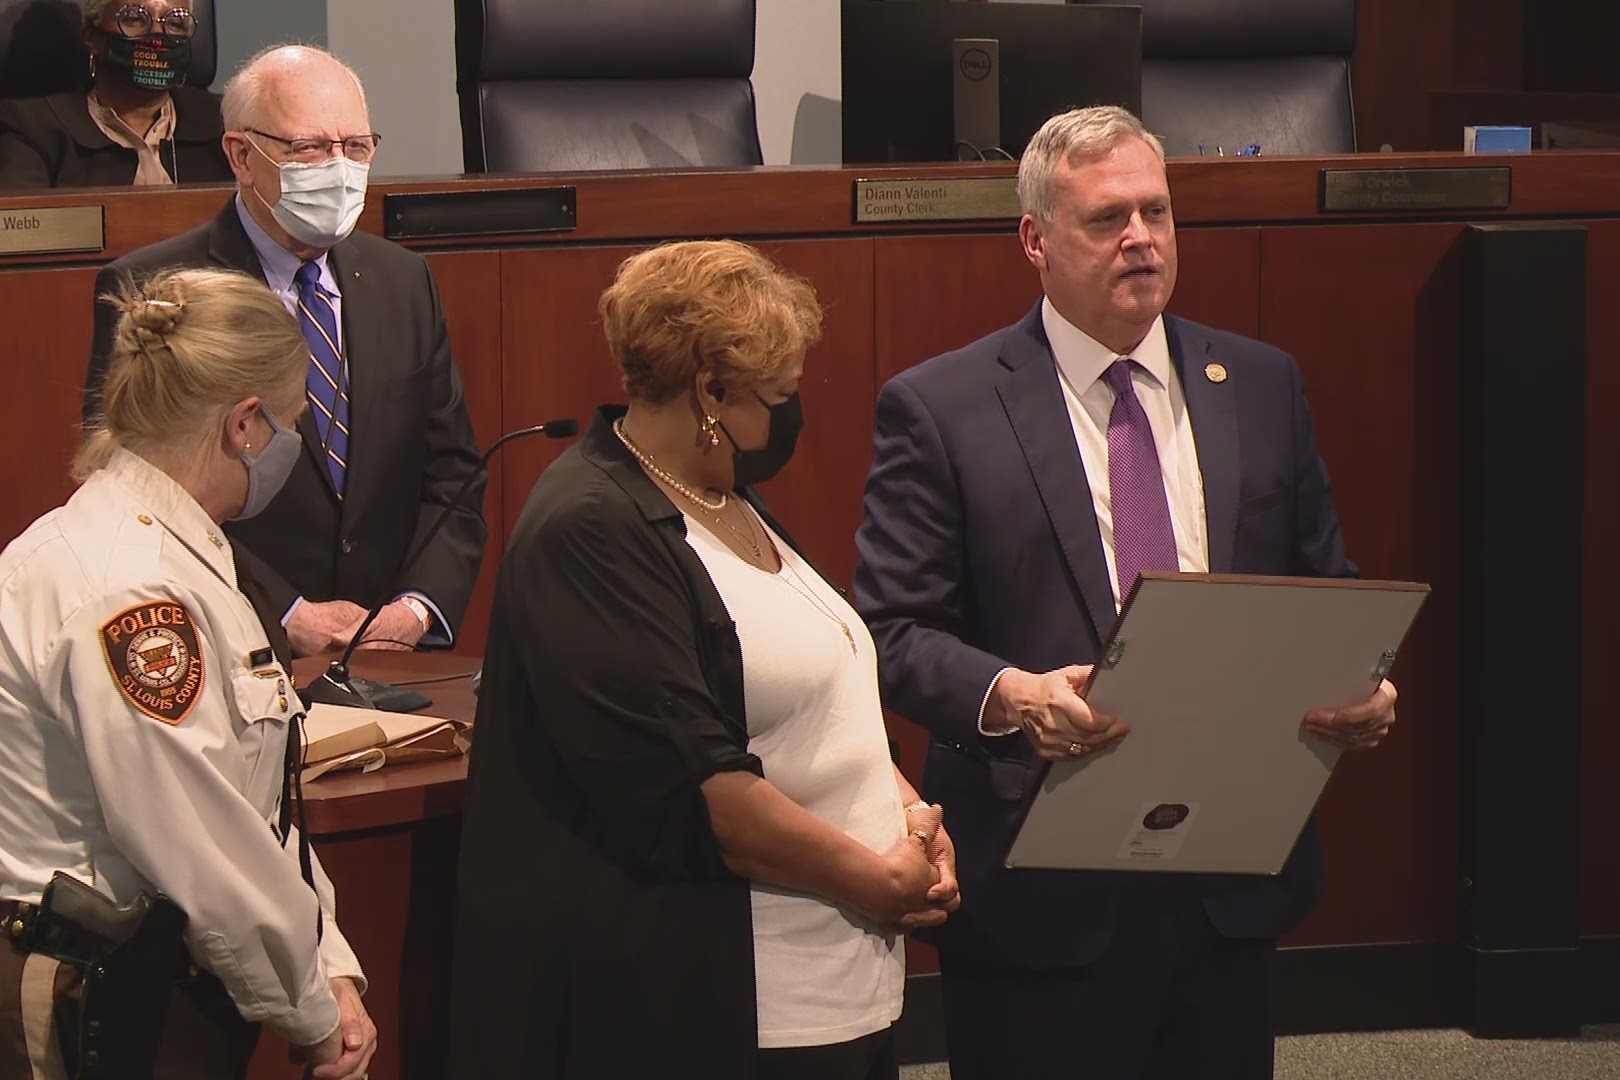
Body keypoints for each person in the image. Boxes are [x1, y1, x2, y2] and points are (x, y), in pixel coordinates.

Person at [853, 105, 1399, 1080]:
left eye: (1157, 211)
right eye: (1108, 219)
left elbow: (1327, 587)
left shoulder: (1261, 384)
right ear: (1036, 240)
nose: (1142, 237)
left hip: (1226, 872)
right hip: (1040, 885)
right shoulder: (942, 409)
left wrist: (1363, 682)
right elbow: (892, 633)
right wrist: (1013, 696)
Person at [449, 240, 958, 1080]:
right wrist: (876, 881)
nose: (793, 415)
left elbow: (822, 697)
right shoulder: (590, 526)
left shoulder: (722, 494)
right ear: (710, 390)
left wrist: (910, 818)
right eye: (781, 395)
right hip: (731, 1003)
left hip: (842, 979)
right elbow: (698, 788)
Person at [0, 268, 374, 1079]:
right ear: (246, 423)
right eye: (295, 421)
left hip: (164, 982)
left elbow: (258, 810)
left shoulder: (184, 556)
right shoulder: (124, 587)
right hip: (98, 1000)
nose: (296, 442)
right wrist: (309, 1007)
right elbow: (195, 835)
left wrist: (329, 966)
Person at [83, 44, 487, 658]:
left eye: (356, 147)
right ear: (242, 155)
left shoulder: (405, 281)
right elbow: (136, 492)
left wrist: (415, 608)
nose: (339, 167)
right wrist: (284, 612)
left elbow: (452, 472)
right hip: (231, 643)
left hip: (393, 659)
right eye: (309, 149)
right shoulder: (153, 287)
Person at [0, 0, 232, 188]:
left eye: (176, 23)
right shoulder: (33, 127)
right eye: (134, 18)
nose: (157, 35)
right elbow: (22, 231)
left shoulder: (226, 121)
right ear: (92, 38)